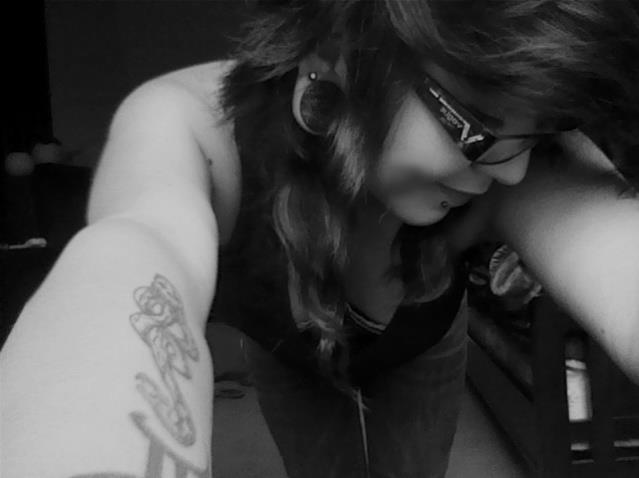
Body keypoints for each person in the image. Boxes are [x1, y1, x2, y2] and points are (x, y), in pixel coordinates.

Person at [2, 1, 639, 477]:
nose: (514, 172)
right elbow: (134, 249)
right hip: (291, 354)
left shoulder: (513, 154)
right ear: (337, 53)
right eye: (483, 130)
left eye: (537, 137)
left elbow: (620, 257)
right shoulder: (193, 128)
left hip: (424, 342)